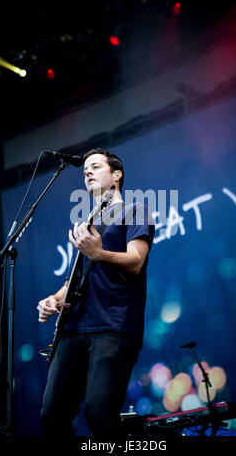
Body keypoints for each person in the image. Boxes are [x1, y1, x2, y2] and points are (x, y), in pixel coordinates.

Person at [37, 148, 155, 437]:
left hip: (114, 326)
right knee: (52, 414)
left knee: (99, 413)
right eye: (85, 169)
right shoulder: (85, 225)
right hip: (74, 329)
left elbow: (136, 262)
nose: (87, 172)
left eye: (95, 166)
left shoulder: (136, 210)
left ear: (116, 176)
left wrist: (99, 253)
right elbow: (73, 282)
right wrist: (53, 299)